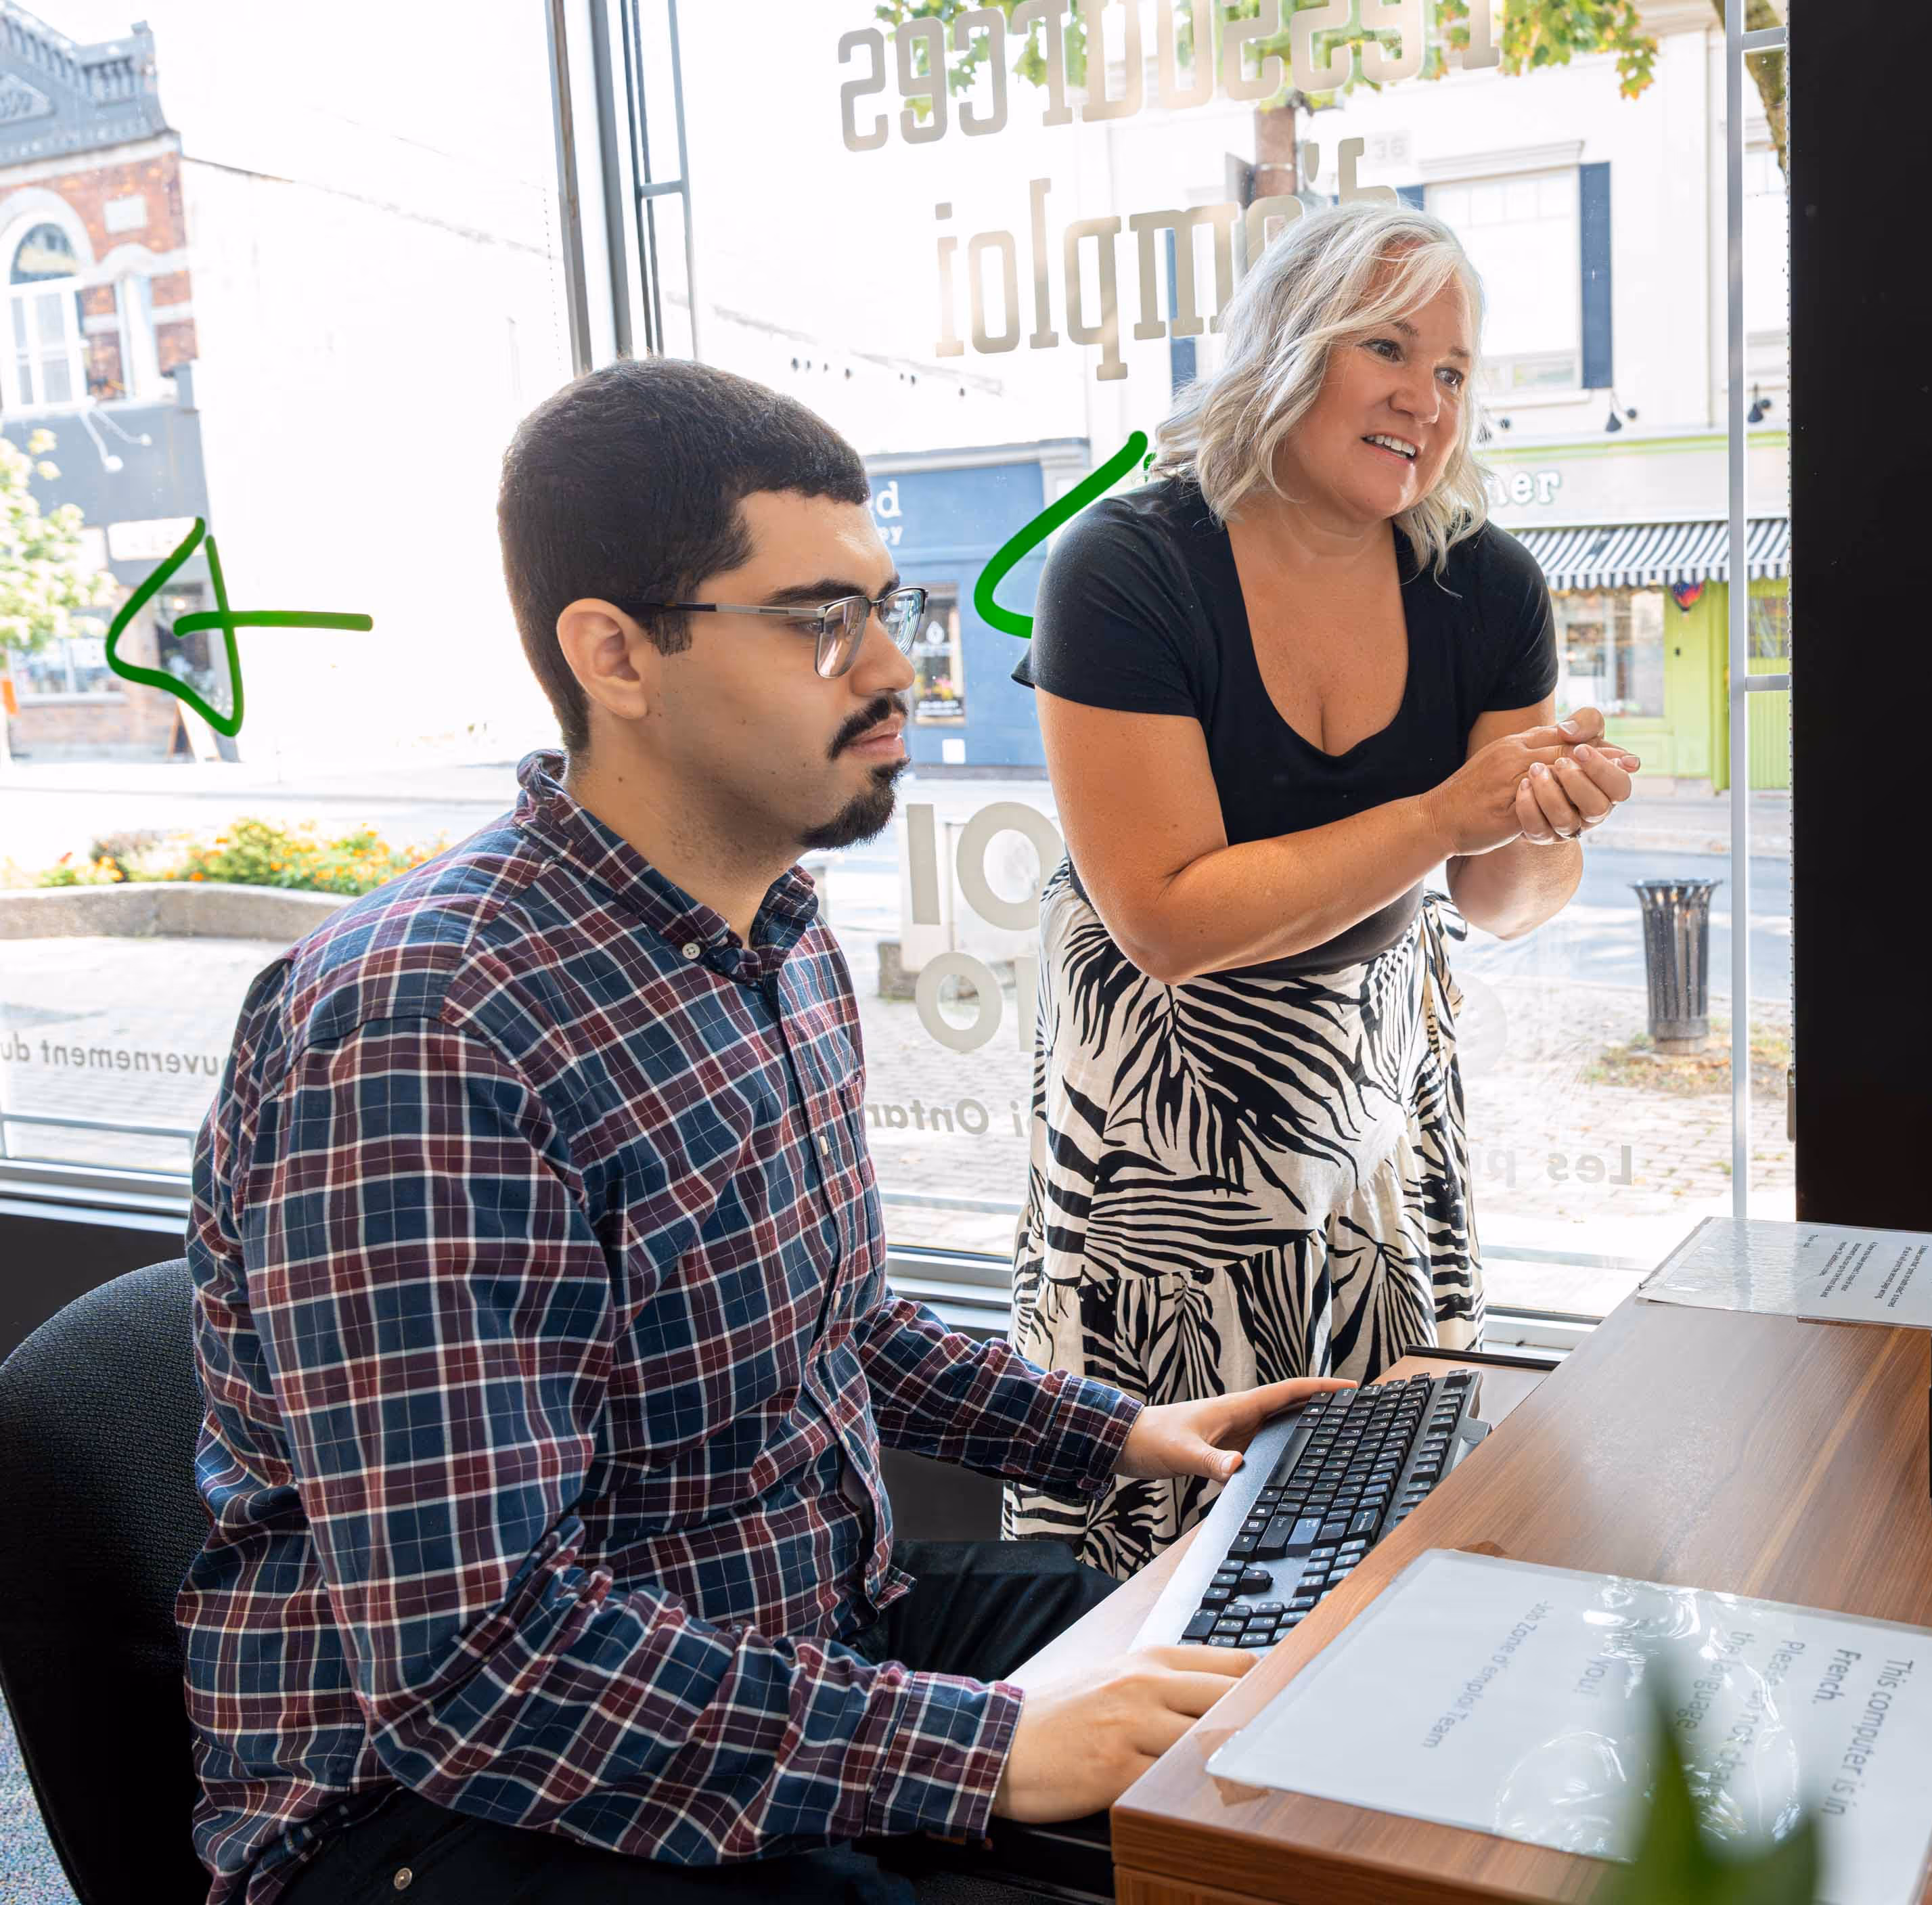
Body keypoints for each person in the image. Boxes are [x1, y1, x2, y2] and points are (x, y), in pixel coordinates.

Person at [176, 357, 1344, 1905]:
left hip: (772, 1632)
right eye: (816, 621)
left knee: (1219, 1711)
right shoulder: (426, 1034)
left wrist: (1128, 1432)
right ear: (615, 655)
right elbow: (475, 1664)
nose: (891, 668)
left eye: (884, 606)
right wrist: (977, 1753)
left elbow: (831, 1324)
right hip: (432, 1805)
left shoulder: (775, 932)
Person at [1004, 202, 1638, 1576]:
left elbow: (1500, 899)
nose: (1425, 398)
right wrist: (1439, 812)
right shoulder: (1124, 566)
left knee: (1381, 1501)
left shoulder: (1486, 587)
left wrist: (1544, 822)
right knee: (1169, 1535)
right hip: (1151, 1114)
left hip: (1370, 1100)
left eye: (1455, 371)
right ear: (1286, 348)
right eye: (1387, 348)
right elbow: (1167, 917)